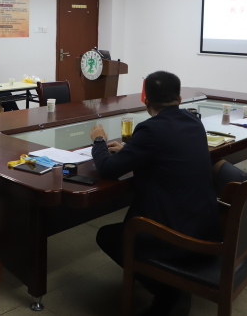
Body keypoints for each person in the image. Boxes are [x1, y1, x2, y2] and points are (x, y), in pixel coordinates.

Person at [89, 70, 220, 316]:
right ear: (179, 99)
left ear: (145, 100)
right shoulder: (194, 122)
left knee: (108, 236)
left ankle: (168, 291)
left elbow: (107, 170)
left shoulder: (150, 129)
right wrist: (131, 150)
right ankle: (170, 285)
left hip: (175, 235)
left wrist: (98, 142)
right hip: (206, 226)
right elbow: (167, 150)